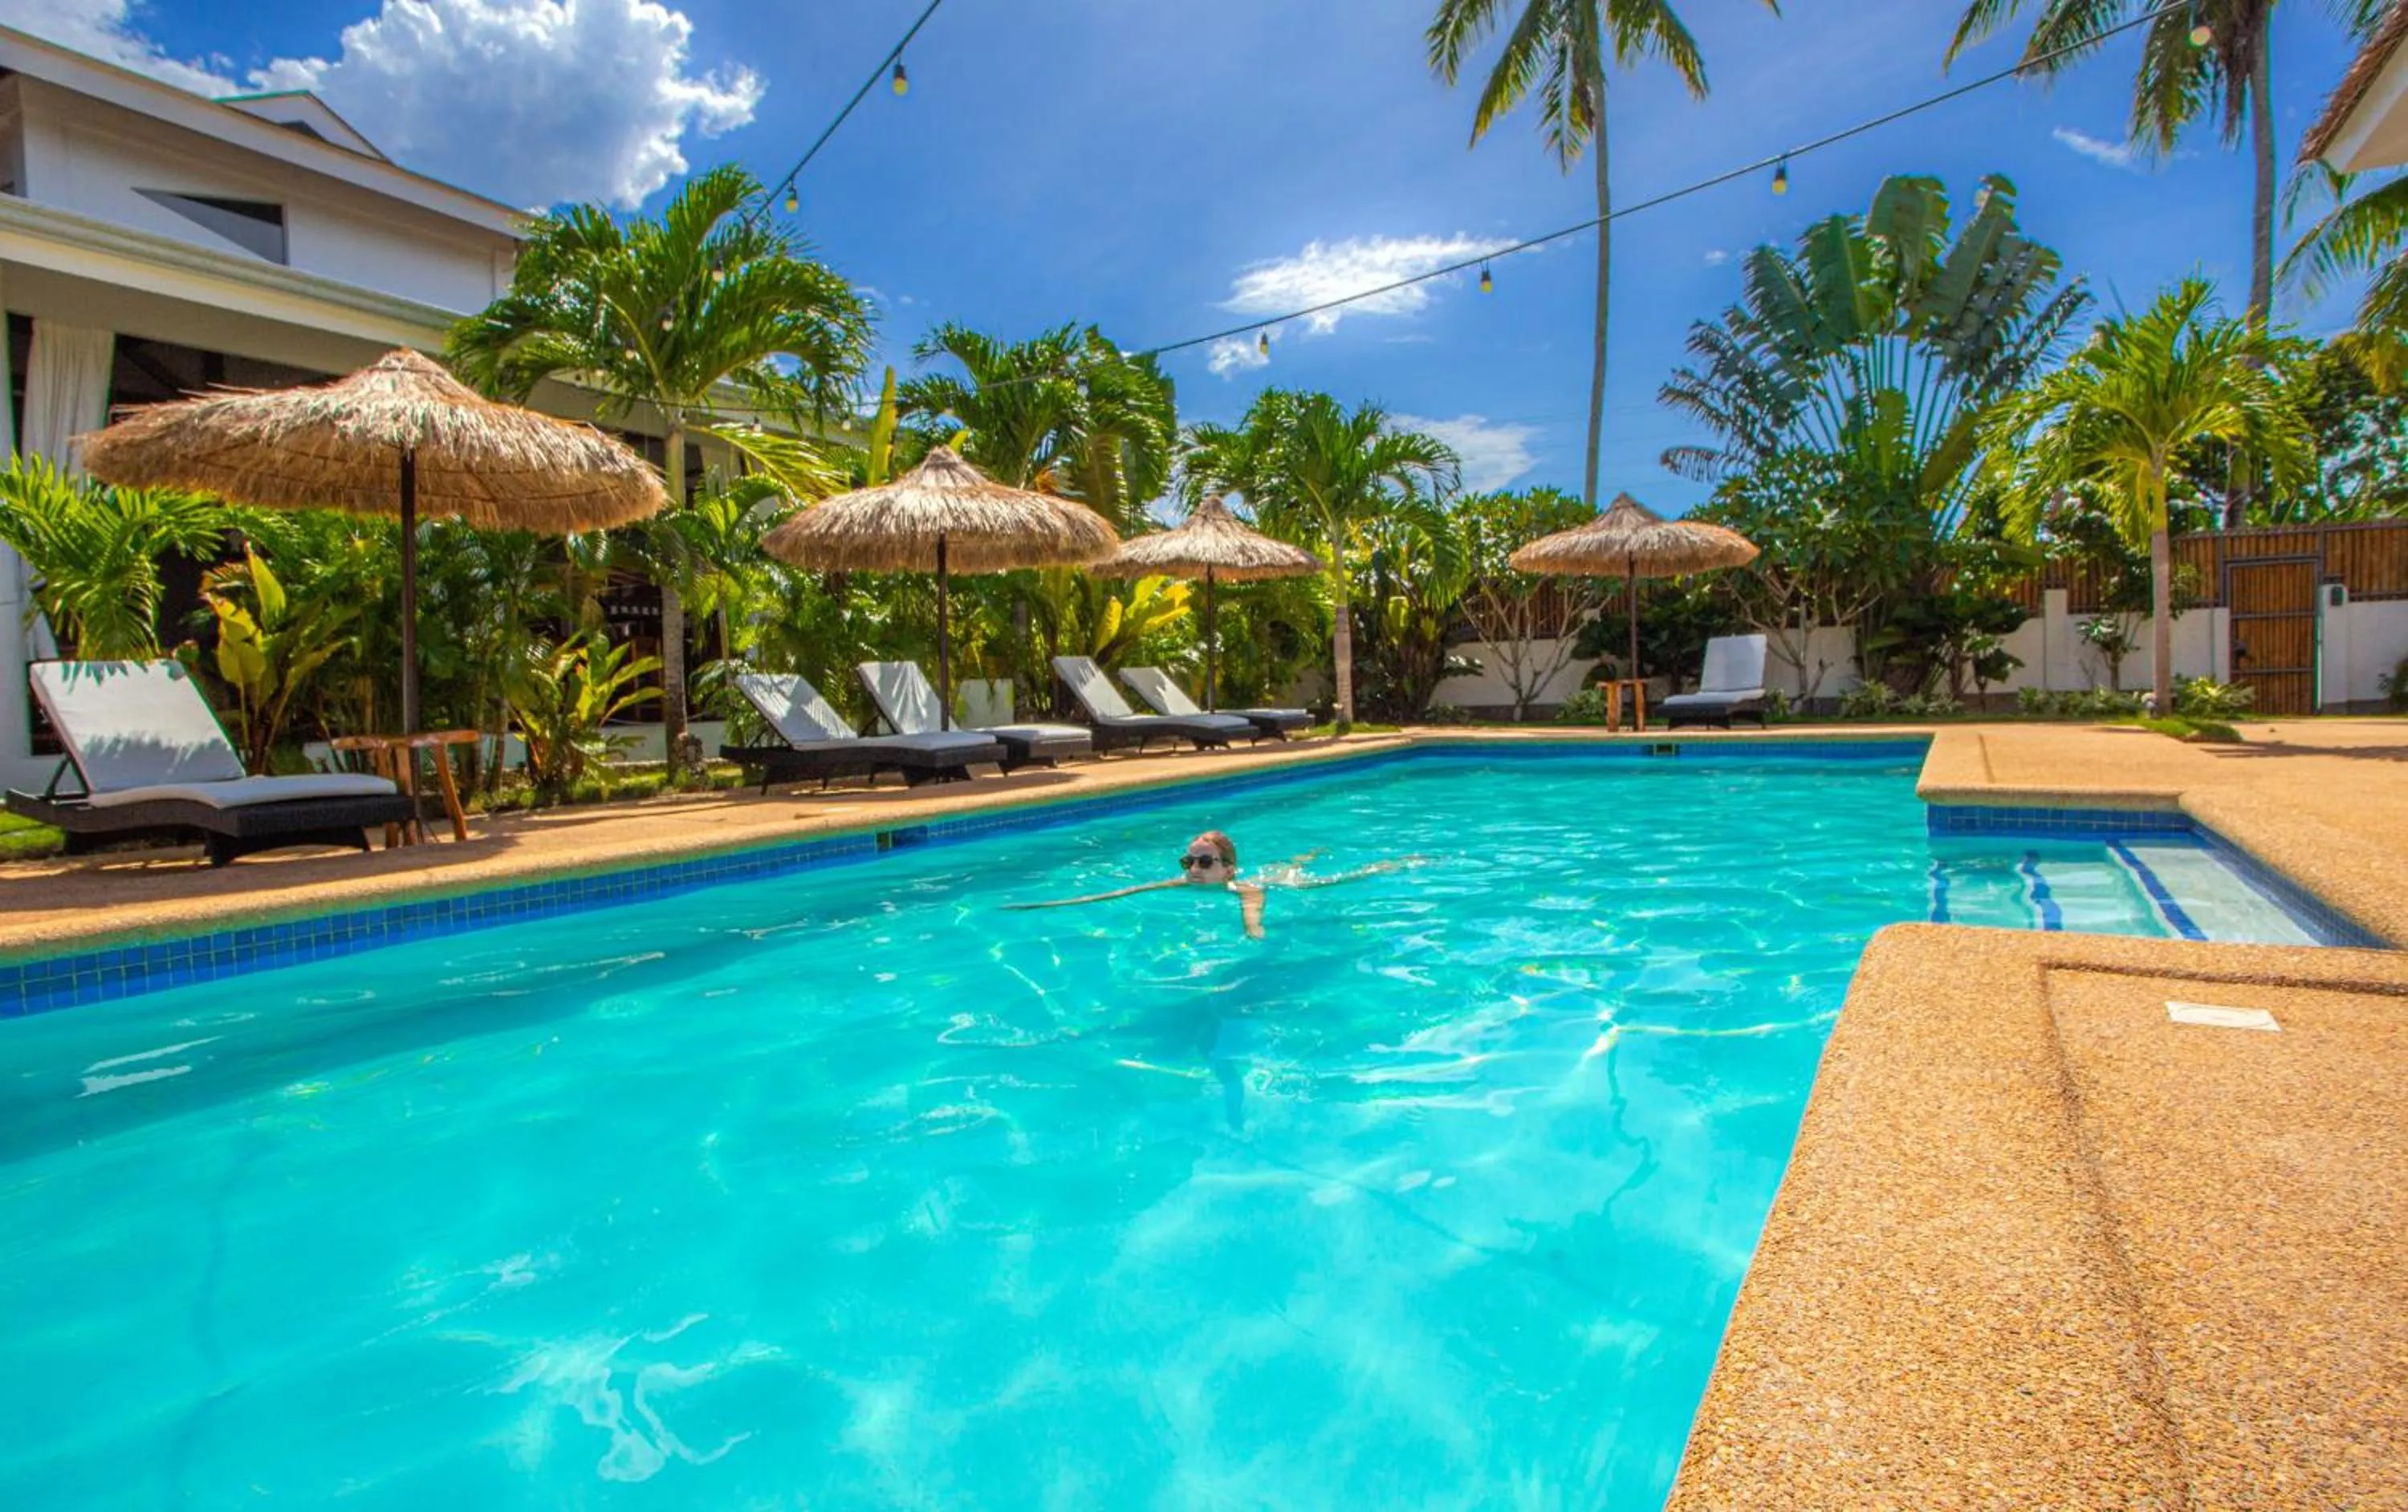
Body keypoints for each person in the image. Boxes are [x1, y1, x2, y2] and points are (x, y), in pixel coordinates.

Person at [1003, 830, 1412, 940]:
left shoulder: (1241, 887)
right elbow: (1122, 892)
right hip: (1255, 875)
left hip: (1275, 882)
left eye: (1203, 862)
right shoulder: (1181, 883)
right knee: (1289, 865)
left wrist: (1253, 929)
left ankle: (1388, 861)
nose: (1194, 869)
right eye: (1189, 861)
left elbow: (1254, 903)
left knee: (1308, 880)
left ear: (1227, 870)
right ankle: (1305, 854)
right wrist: (1057, 904)